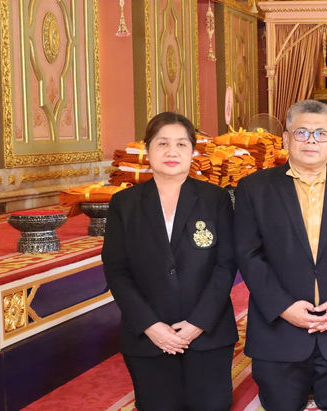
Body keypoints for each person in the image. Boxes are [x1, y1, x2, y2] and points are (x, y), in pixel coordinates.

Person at [234, 99, 327, 411]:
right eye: (301, 133)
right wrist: (283, 307)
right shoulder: (254, 189)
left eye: (320, 134)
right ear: (286, 139)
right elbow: (248, 254)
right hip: (279, 328)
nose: (311, 141)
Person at [102, 112, 238, 411]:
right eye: (162, 143)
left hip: (208, 332)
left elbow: (226, 265)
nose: (172, 152)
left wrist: (198, 323)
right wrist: (151, 325)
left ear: (193, 152)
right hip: (148, 335)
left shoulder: (215, 199)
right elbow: (116, 270)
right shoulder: (125, 203)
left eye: (181, 144)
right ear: (147, 150)